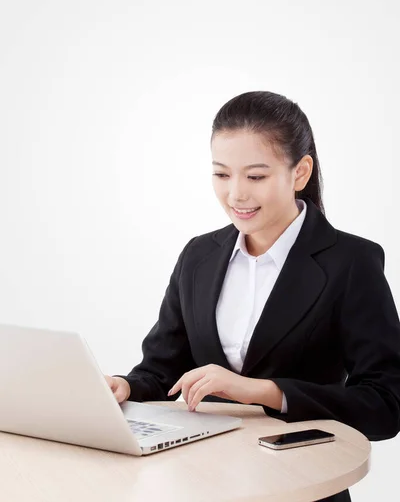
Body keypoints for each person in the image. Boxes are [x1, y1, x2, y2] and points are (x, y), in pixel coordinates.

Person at [105, 91, 400, 502]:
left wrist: (261, 391)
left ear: (300, 172)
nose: (236, 195)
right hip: (203, 484)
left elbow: (385, 405)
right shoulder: (199, 256)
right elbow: (161, 371)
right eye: (222, 175)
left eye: (256, 176)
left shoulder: (351, 262)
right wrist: (124, 387)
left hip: (303, 487)